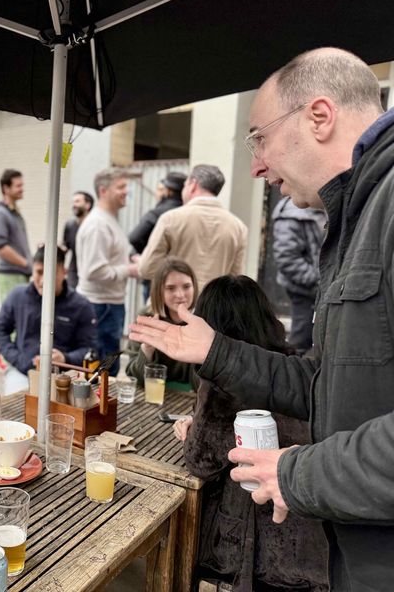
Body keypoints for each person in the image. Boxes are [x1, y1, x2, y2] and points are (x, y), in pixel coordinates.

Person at [129, 48, 394, 589]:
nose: (254, 164)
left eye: (259, 137)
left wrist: (297, 472)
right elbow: (321, 383)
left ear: (318, 116)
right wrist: (216, 352)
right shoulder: (358, 214)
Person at [173, 276, 328, 592]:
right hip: (315, 545)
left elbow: (199, 461)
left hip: (256, 557)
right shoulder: (290, 368)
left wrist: (196, 427)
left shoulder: (223, 384)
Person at [0, 245, 97, 394]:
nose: (43, 280)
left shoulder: (81, 306)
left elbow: (89, 349)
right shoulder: (17, 296)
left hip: (65, 376)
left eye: (50, 273)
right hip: (22, 373)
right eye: (39, 272)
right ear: (32, 270)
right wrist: (19, 360)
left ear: (63, 272)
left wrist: (65, 358)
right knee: (17, 406)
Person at [138, 165, 248, 288]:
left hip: (176, 302)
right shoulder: (239, 227)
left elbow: (147, 269)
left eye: (185, 185)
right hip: (213, 304)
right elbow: (236, 277)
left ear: (193, 184)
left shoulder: (170, 219)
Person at [76, 167, 131, 376]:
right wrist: (130, 269)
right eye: (121, 187)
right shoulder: (98, 224)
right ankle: (97, 408)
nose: (126, 191)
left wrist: (128, 261)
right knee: (102, 370)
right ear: (103, 191)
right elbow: (94, 271)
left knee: (109, 367)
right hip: (101, 307)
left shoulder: (107, 220)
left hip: (109, 305)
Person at [125, 258, 198, 391]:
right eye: (171, 288)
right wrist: (147, 349)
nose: (180, 294)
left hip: (192, 400)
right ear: (159, 291)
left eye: (187, 286)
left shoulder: (203, 322)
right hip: (152, 396)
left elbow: (206, 384)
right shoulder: (147, 319)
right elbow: (133, 378)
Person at [0, 169, 31, 372]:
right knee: (11, 317)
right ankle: (1, 357)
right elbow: (2, 248)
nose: (22, 188)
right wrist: (25, 263)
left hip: (20, 273)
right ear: (6, 188)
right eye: (18, 185)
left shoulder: (14, 212)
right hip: (11, 273)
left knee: (18, 316)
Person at [271, 196, 327, 353]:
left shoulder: (322, 206)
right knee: (301, 342)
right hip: (306, 292)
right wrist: (317, 280)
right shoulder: (291, 213)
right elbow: (287, 258)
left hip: (321, 288)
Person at [128, 171, 186, 300]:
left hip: (156, 278)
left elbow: (135, 237)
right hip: (182, 277)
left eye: (161, 189)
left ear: (168, 192)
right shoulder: (187, 214)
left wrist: (145, 253)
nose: (158, 193)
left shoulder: (157, 213)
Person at [61, 190, 94, 289]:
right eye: (73, 202)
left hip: (91, 274)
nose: (74, 205)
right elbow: (65, 248)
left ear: (88, 205)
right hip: (74, 274)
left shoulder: (95, 227)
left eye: (77, 201)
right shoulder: (70, 226)